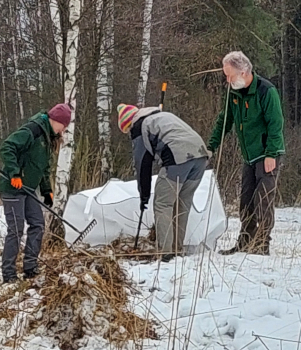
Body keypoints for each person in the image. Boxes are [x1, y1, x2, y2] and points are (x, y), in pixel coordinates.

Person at [207, 51, 285, 256]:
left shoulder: (266, 91)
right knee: (246, 200)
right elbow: (224, 121)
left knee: (263, 199)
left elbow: (276, 125)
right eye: (226, 75)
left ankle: (262, 244)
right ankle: (245, 242)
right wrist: (211, 146)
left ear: (243, 72)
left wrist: (271, 154)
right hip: (248, 155)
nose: (227, 79)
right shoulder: (233, 92)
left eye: (230, 75)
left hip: (267, 153)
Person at [117, 103, 209, 262]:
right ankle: (177, 249)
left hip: (178, 158)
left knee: (163, 204)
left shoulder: (139, 126)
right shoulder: (162, 116)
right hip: (201, 156)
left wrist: (144, 195)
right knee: (183, 203)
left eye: (127, 131)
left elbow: (142, 164)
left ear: (129, 123)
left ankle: (165, 253)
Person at [0, 103, 72, 284]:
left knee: (38, 224)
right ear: (56, 121)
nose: (64, 130)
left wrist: (46, 190)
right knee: (16, 230)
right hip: (13, 187)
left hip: (28, 188)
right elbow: (7, 147)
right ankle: (9, 274)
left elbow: (43, 167)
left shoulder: (48, 137)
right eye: (64, 125)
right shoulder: (33, 130)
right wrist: (14, 173)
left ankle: (30, 267)